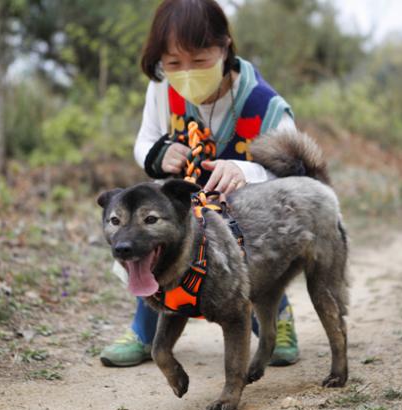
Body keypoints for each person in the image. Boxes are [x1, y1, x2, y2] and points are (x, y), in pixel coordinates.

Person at [100, 0, 300, 368]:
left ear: (225, 47)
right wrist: (160, 154)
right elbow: (144, 141)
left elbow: (295, 174)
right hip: (183, 206)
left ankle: (276, 317)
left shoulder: (266, 105)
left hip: (243, 214)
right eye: (174, 63)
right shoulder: (162, 87)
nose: (186, 73)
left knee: (255, 254)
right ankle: (144, 331)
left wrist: (247, 171)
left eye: (200, 59)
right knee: (152, 238)